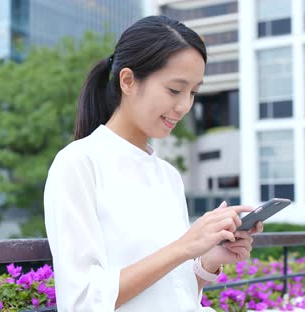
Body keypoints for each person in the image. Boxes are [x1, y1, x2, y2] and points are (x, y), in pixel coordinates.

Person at [43, 15, 264, 311]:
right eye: (175, 90)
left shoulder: (168, 175)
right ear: (128, 81)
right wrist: (185, 246)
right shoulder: (78, 164)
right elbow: (83, 301)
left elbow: (172, 293)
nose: (185, 106)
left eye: (193, 92)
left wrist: (207, 260)